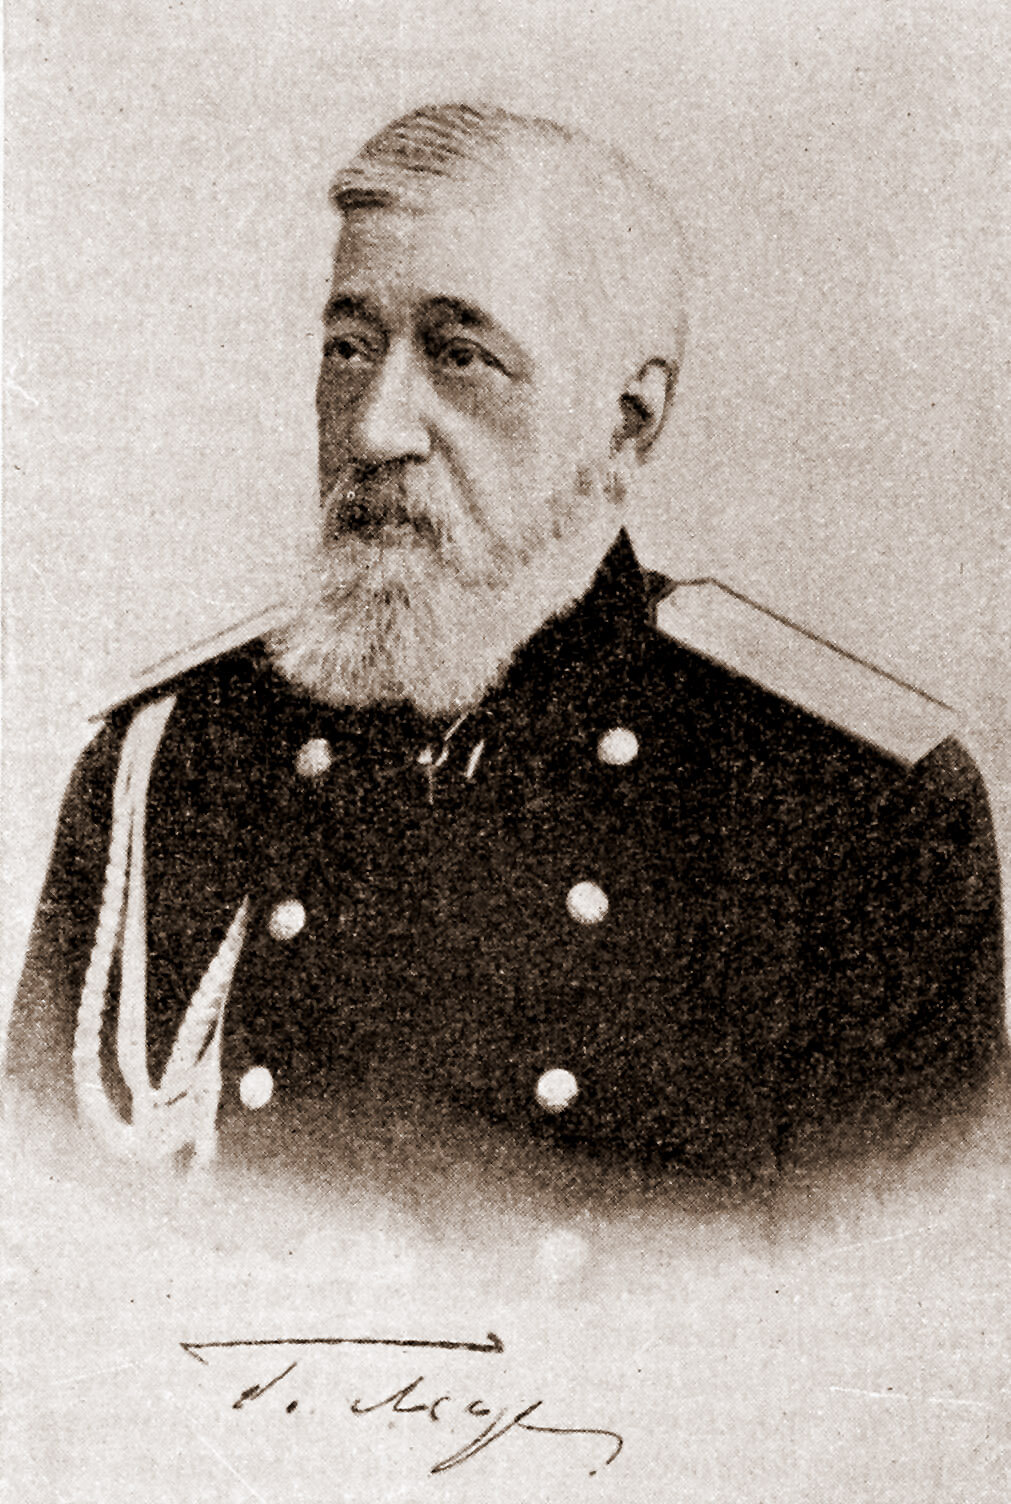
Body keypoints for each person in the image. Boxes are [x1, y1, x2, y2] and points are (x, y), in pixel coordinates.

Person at [5, 102, 1005, 1191]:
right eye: (349, 348)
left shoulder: (847, 807)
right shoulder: (172, 762)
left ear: (628, 420)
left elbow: (886, 1281)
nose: (374, 427)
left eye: (460, 356)